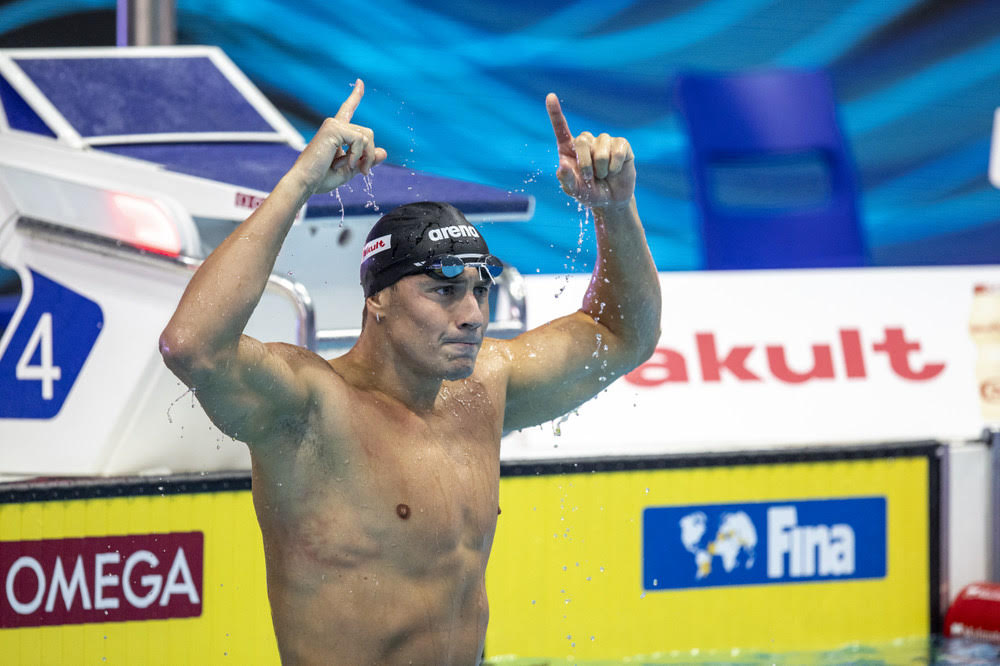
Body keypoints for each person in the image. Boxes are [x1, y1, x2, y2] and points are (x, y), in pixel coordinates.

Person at [159, 79, 661, 665]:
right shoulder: (311, 409)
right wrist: (299, 184)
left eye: (480, 290)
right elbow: (191, 346)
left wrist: (614, 208)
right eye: (444, 291)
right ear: (378, 300)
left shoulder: (483, 390)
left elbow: (621, 335)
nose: (473, 315)